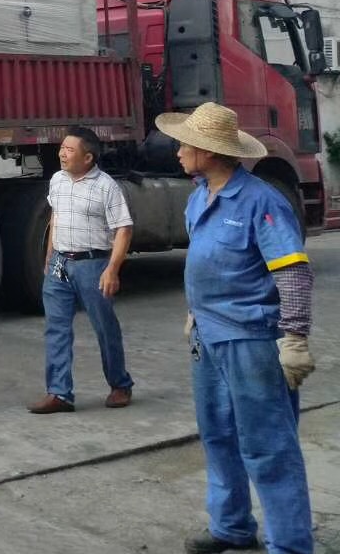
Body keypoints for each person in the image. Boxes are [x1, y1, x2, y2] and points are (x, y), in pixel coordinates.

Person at [156, 102, 315, 554]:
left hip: (252, 341)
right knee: (219, 435)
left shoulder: (261, 202)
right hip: (209, 338)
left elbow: (293, 272)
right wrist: (194, 309)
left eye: (185, 143)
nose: (178, 151)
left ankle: (291, 543)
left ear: (209, 151)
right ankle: (232, 526)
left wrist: (295, 337)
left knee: (267, 445)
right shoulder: (197, 197)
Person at [29, 125, 136, 414]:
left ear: (88, 158)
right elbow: (56, 217)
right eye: (62, 148)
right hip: (60, 264)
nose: (62, 154)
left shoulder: (106, 186)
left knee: (104, 326)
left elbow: (123, 230)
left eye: (69, 149)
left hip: (93, 264)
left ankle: (120, 384)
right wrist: (50, 256)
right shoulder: (57, 180)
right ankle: (59, 393)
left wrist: (112, 269)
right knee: (56, 329)